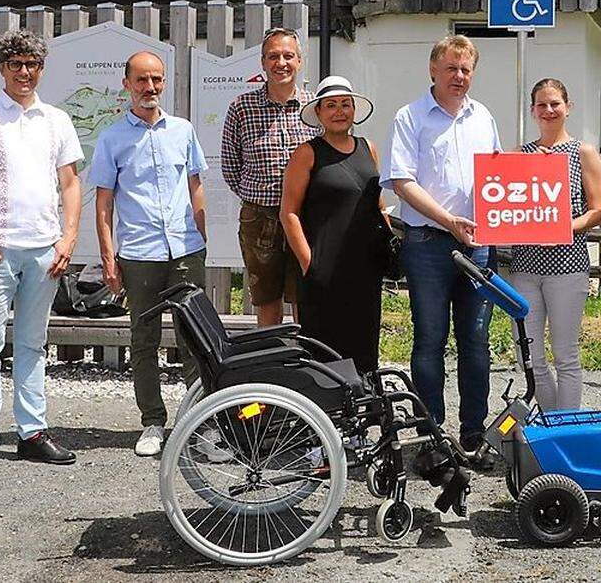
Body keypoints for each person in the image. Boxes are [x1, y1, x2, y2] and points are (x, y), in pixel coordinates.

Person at [0, 29, 83, 482]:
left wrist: (68, 238)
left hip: (45, 249)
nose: (24, 72)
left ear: (42, 68)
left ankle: (32, 433)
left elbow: (70, 183)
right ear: (2, 68)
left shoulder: (56, 119)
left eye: (32, 64)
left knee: (33, 344)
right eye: (15, 64)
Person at [382, 34, 501, 458]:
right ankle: (431, 434)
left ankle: (473, 434)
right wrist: (448, 220)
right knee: (429, 340)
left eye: (466, 69)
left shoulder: (483, 117)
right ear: (433, 70)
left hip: (477, 247)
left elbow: (497, 178)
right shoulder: (410, 117)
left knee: (476, 341)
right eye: (451, 68)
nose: (459, 76)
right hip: (427, 244)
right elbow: (401, 181)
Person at [92, 51, 209, 457]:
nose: (150, 88)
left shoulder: (183, 130)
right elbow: (104, 201)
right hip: (139, 254)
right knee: (144, 340)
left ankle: (200, 422)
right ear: (127, 84)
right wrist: (109, 256)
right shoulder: (112, 138)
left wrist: (201, 233)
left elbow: (194, 183)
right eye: (141, 80)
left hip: (185, 250)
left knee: (195, 339)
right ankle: (153, 422)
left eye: (157, 80)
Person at [508, 78, 601, 412]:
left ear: (568, 106)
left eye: (555, 104)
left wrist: (564, 228)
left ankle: (567, 427)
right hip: (525, 267)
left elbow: (597, 211)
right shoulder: (520, 154)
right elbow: (508, 207)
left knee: (565, 354)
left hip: (567, 266)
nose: (549, 110)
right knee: (529, 356)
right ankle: (552, 420)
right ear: (533, 110)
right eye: (542, 105)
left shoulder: (583, 152)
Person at [280, 75, 385, 374]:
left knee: (364, 342)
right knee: (323, 346)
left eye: (345, 104)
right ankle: (323, 413)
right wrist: (308, 264)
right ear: (319, 113)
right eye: (331, 105)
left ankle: (364, 408)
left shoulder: (370, 148)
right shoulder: (307, 153)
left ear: (354, 109)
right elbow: (288, 212)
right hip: (323, 268)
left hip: (364, 266)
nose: (339, 111)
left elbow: (377, 203)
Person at [220, 27, 317, 326]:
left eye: (288, 56)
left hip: (307, 217)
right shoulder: (241, 108)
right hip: (260, 218)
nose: (281, 63)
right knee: (267, 301)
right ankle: (271, 367)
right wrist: (260, 195)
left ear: (300, 61)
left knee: (306, 295)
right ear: (262, 63)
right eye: (273, 56)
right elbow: (230, 166)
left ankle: (306, 366)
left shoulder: (315, 107)